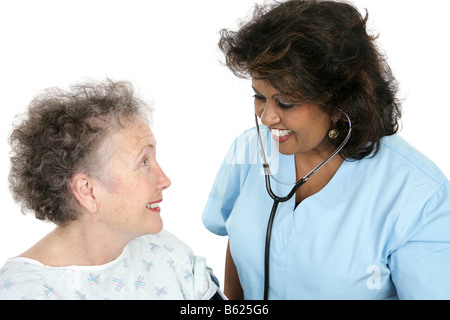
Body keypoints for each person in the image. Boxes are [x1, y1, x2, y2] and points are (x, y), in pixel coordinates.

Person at [202, 0, 450, 299]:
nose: (267, 117)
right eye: (259, 96)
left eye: (286, 103)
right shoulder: (249, 149)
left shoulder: (417, 193)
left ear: (339, 102)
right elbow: (237, 237)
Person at [0, 79, 224, 300]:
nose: (164, 180)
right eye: (143, 162)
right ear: (87, 191)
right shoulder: (20, 292)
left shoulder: (169, 254)